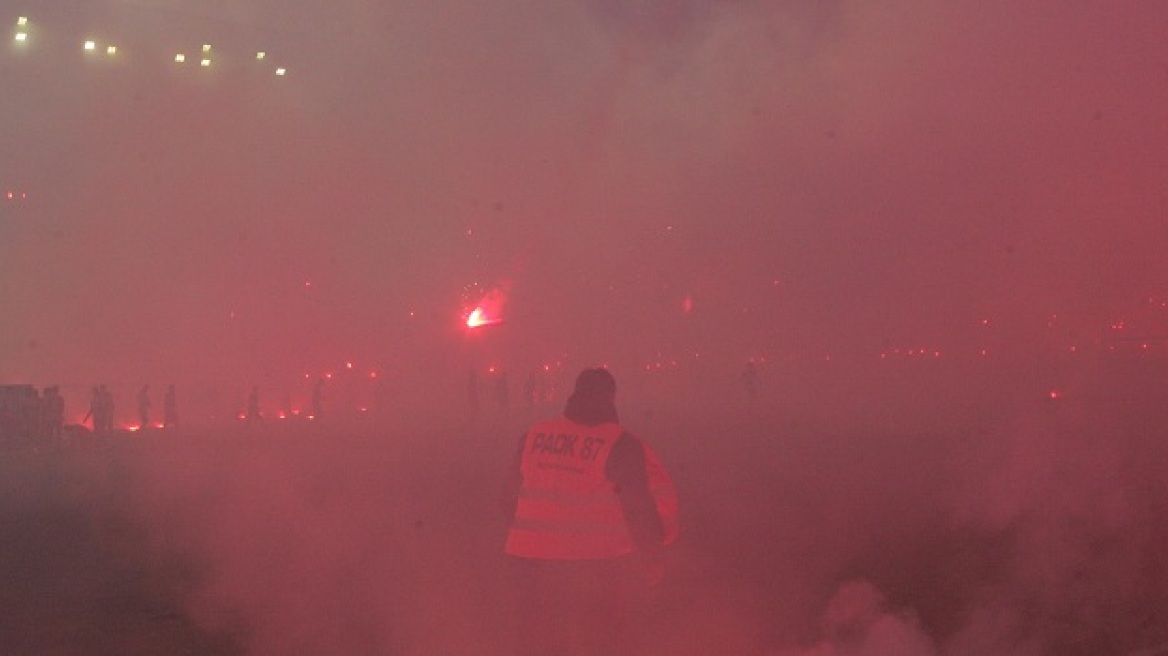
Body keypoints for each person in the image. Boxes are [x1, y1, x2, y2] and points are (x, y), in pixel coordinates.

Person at [503, 367, 679, 656]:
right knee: (601, 641)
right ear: (611, 398)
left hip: (528, 562)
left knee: (538, 641)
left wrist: (538, 533)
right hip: (598, 563)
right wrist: (652, 556)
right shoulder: (621, 444)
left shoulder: (534, 436)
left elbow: (507, 498)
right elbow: (638, 507)